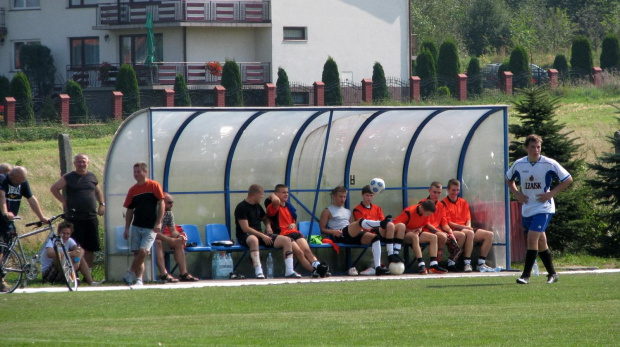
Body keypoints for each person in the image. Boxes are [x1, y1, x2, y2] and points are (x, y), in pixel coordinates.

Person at [506, 134, 572, 284]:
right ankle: (553, 274)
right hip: (528, 207)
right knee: (541, 242)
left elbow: (568, 179)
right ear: (526, 148)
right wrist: (517, 193)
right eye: (532, 147)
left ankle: (525, 275)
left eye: (538, 147)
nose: (536, 150)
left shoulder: (549, 163)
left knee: (532, 237)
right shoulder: (519, 164)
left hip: (544, 207)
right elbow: (508, 178)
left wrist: (551, 193)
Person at [50, 153, 105, 276]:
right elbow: (54, 188)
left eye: (84, 161)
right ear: (74, 164)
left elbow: (98, 191)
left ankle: (88, 274)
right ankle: (74, 273)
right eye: (79, 162)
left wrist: (102, 204)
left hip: (90, 217)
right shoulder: (69, 177)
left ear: (88, 163)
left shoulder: (92, 176)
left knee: (91, 247)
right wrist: (63, 200)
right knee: (76, 248)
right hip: (74, 219)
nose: (81, 164)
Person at [319, 186, 391, 275]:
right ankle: (380, 223)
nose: (343, 199)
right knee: (360, 221)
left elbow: (351, 226)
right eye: (340, 196)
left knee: (375, 238)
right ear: (334, 196)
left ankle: (378, 267)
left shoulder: (347, 211)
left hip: (350, 234)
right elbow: (322, 229)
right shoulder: (327, 210)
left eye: (344, 197)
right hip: (340, 235)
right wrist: (333, 232)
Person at [234, 184, 301, 279]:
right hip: (245, 236)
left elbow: (265, 218)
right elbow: (245, 228)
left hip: (261, 235)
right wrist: (263, 236)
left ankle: (289, 271)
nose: (262, 197)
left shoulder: (257, 206)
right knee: (254, 240)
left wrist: (268, 226)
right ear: (256, 194)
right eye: (261, 194)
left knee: (287, 240)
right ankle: (258, 271)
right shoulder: (241, 207)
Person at [0, 166, 49, 292]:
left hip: (9, 222)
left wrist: (42, 217)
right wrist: (5, 212)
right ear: (11, 175)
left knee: (7, 252)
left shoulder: (22, 182)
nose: (20, 184)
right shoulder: (2, 179)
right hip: (2, 219)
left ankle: (1, 279)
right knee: (1, 250)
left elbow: (31, 199)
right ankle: (1, 281)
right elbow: (1, 196)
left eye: (22, 182)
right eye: (18, 181)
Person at [265, 184, 329, 278]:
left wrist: (294, 224)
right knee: (299, 252)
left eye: (287, 192)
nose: (286, 194)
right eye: (283, 192)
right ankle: (314, 271)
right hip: (284, 235)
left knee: (307, 250)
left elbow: (293, 220)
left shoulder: (289, 207)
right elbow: (275, 201)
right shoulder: (274, 206)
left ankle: (318, 266)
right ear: (276, 194)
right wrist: (272, 195)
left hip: (295, 232)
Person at [122, 162, 165, 286]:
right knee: (137, 254)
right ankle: (138, 279)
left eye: (139, 171)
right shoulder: (133, 190)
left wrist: (158, 223)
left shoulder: (153, 185)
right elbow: (129, 210)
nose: (136, 174)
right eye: (135, 172)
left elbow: (161, 203)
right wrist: (126, 228)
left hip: (150, 227)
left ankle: (130, 273)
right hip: (136, 226)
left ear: (145, 172)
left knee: (143, 251)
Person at [442, 178, 495, 272]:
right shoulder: (443, 203)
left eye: (457, 190)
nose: (455, 192)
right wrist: (466, 228)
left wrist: (467, 227)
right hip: (454, 230)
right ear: (448, 190)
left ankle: (481, 263)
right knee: (469, 233)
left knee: (489, 235)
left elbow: (468, 218)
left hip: (465, 228)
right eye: (453, 190)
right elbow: (449, 223)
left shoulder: (463, 202)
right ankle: (467, 263)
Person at [352, 185, 404, 264]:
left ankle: (395, 253)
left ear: (374, 196)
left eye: (371, 195)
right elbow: (362, 225)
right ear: (362, 195)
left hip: (381, 231)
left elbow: (383, 222)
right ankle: (390, 254)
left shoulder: (377, 208)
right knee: (390, 225)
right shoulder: (357, 209)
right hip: (370, 233)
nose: (369, 198)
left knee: (401, 226)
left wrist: (387, 221)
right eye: (367, 195)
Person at [420, 181, 464, 272]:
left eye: (439, 193)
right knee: (442, 236)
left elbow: (444, 223)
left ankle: (451, 262)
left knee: (460, 236)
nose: (436, 195)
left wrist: (450, 232)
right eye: (434, 192)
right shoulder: (423, 203)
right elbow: (425, 223)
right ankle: (436, 263)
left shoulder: (441, 205)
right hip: (424, 230)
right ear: (429, 191)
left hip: (436, 231)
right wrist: (439, 232)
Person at [394, 200, 448, 274]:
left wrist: (420, 229)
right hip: (405, 235)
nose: (428, 216)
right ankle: (421, 265)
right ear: (422, 209)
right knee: (414, 237)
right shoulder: (409, 212)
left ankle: (434, 265)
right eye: (428, 214)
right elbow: (397, 225)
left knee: (434, 237)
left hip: (416, 232)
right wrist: (410, 230)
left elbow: (424, 224)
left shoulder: (425, 213)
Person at [155, 193, 199, 282]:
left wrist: (180, 236)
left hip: (161, 239)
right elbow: (154, 233)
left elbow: (173, 230)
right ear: (162, 203)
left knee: (178, 243)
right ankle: (163, 274)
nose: (172, 205)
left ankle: (184, 273)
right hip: (149, 242)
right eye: (169, 202)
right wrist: (170, 239)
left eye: (172, 202)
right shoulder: (154, 213)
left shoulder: (169, 213)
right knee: (157, 242)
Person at [41, 221, 100, 286]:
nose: (65, 236)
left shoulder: (69, 240)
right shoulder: (53, 240)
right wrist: (70, 253)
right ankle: (70, 279)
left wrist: (77, 261)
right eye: (63, 233)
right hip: (49, 273)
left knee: (80, 256)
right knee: (60, 257)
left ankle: (91, 282)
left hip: (63, 270)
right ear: (59, 233)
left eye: (67, 234)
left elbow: (81, 250)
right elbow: (50, 254)